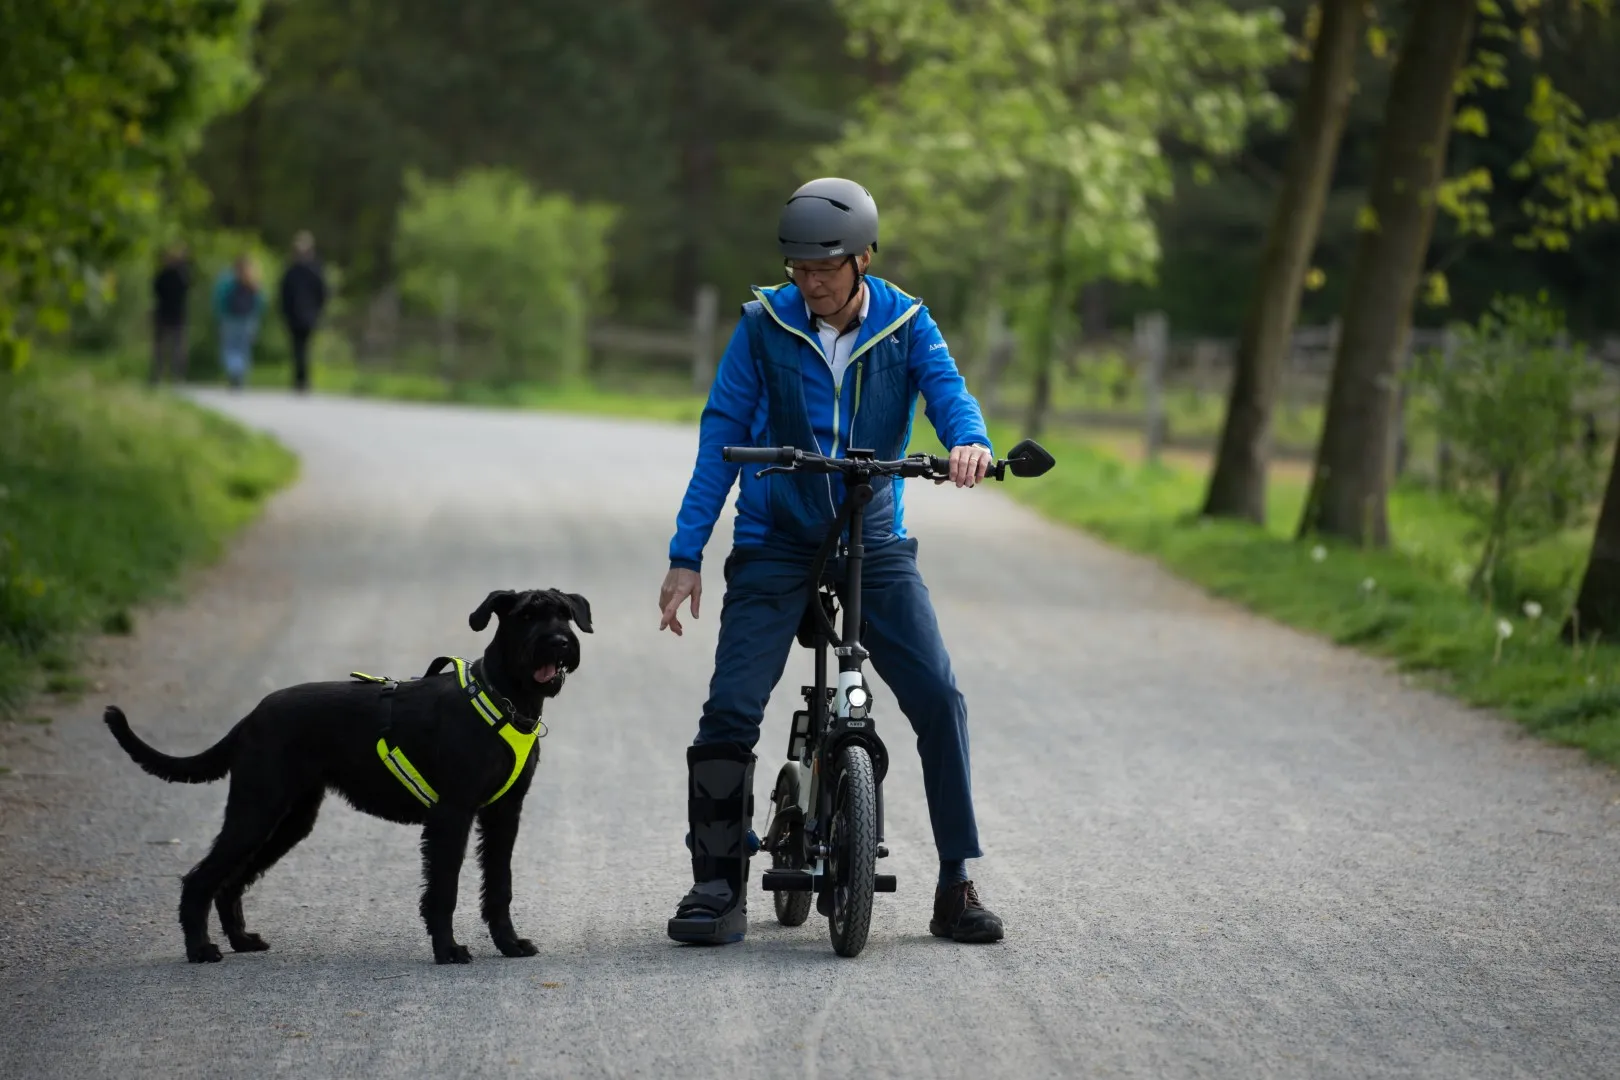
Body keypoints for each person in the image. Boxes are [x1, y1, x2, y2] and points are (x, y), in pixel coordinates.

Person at [660, 177, 1004, 946]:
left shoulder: (908, 324)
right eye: (798, 268)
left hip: (870, 534)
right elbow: (720, 440)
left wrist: (968, 443)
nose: (810, 283)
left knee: (939, 698)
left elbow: (949, 395)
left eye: (825, 267)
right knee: (731, 708)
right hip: (776, 535)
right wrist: (687, 554)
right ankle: (714, 886)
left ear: (863, 259)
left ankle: (957, 881)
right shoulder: (762, 326)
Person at [277, 230, 328, 392]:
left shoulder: (295, 269)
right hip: (302, 314)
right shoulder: (308, 269)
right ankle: (302, 379)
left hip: (302, 314)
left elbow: (322, 292)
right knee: (301, 348)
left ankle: (301, 379)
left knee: (300, 348)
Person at [212, 254, 265, 390]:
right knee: (244, 348)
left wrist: (220, 316)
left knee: (230, 348)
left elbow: (219, 300)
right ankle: (240, 374)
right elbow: (260, 302)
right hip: (247, 319)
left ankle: (233, 372)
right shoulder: (253, 281)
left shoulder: (226, 280)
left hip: (229, 318)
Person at [150, 244, 191, 386]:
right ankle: (166, 375)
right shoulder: (178, 275)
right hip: (171, 314)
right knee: (169, 347)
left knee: (172, 347)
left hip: (170, 314)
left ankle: (171, 375)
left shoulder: (173, 274)